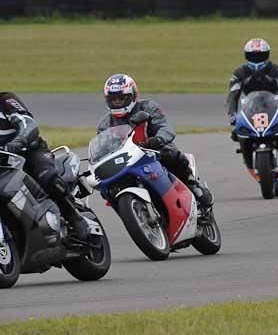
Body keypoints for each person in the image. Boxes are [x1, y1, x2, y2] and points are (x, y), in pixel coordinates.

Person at [97, 74, 213, 207]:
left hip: (153, 150)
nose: (117, 102)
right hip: (126, 160)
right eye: (113, 99)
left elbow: (165, 127)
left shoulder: (148, 106)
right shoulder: (104, 124)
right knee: (107, 186)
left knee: (169, 153)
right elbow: (102, 149)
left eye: (121, 98)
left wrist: (157, 139)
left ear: (132, 96)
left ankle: (193, 185)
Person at [1, 92, 90, 240]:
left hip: (28, 152)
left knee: (46, 176)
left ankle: (75, 218)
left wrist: (20, 140)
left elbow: (28, 123)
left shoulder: (5, 101)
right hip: (3, 166)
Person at [226, 38, 278, 164]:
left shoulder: (275, 69)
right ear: (246, 56)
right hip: (251, 108)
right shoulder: (240, 73)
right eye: (253, 56)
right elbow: (232, 96)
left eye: (260, 56)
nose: (256, 59)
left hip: (275, 105)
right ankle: (247, 152)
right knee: (235, 132)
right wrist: (232, 114)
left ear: (267, 55)